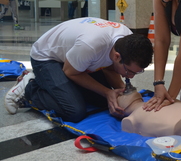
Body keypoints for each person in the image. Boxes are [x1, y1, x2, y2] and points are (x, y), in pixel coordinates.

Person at [4, 17, 154, 123]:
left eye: (137, 72)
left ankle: (61, 87)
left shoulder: (126, 39)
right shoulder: (91, 45)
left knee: (105, 101)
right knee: (74, 110)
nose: (131, 77)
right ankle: (30, 87)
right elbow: (70, 72)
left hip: (76, 59)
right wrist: (107, 91)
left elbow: (109, 68)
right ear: (117, 56)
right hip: (47, 58)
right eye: (129, 71)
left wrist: (123, 90)